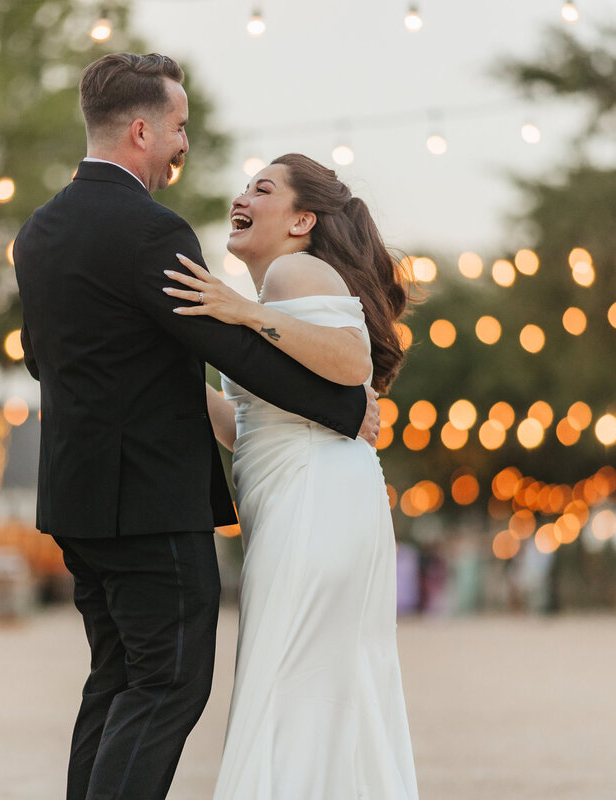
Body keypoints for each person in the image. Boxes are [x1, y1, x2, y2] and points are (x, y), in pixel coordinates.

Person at [12, 54, 380, 800]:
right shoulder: (153, 231)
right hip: (150, 503)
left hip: (77, 502)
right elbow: (226, 343)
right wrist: (347, 408)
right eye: (179, 129)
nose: (185, 146)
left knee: (115, 681)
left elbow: (35, 359)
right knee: (168, 687)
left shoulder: (39, 232)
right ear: (142, 130)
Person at [164, 153, 419, 798]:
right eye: (246, 185)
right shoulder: (276, 286)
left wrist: (241, 314)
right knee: (319, 686)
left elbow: (349, 357)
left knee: (290, 680)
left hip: (315, 500)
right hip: (301, 497)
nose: (242, 197)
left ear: (303, 219)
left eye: (263, 188)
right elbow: (241, 428)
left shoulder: (292, 271)